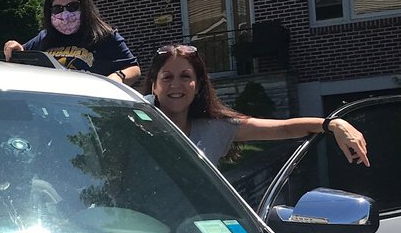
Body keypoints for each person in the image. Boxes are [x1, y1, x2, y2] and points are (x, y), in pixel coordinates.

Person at [144, 43, 369, 166]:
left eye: (185, 76)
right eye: (167, 77)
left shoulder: (216, 129)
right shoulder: (132, 125)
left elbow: (285, 128)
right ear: (154, 85)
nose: (176, 85)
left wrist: (334, 124)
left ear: (198, 84)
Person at [3, 0, 141, 85]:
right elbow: (22, 59)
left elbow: (133, 68)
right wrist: (16, 48)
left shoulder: (105, 36)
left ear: (85, 6)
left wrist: (117, 77)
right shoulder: (44, 38)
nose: (65, 15)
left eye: (72, 6)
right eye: (57, 9)